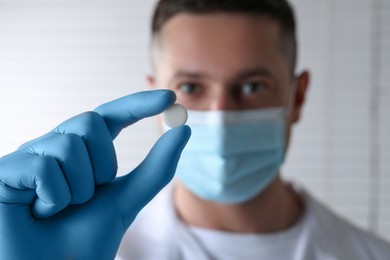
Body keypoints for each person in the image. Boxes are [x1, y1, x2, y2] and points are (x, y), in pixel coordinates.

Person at [0, 1, 388, 260]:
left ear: (298, 97)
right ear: (154, 102)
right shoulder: (103, 250)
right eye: (190, 88)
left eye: (252, 86)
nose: (220, 115)